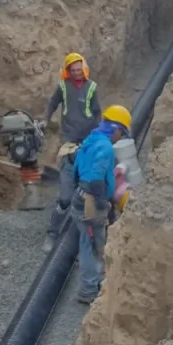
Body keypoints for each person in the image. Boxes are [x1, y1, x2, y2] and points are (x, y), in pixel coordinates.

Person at [70, 105, 131, 304]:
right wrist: (101, 204)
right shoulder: (105, 147)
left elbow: (76, 170)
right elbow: (96, 179)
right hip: (90, 201)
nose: (119, 138)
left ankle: (96, 281)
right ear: (115, 129)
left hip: (79, 197)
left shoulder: (92, 138)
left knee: (89, 243)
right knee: (91, 246)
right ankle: (89, 290)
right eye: (121, 133)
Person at [42, 52, 102, 253]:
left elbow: (96, 113)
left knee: (86, 193)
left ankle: (85, 238)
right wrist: (46, 119)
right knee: (66, 197)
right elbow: (52, 103)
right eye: (73, 70)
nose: (76, 73)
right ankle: (52, 232)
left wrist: (95, 136)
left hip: (86, 145)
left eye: (79, 70)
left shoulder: (91, 88)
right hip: (69, 145)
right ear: (68, 71)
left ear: (84, 69)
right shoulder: (63, 87)